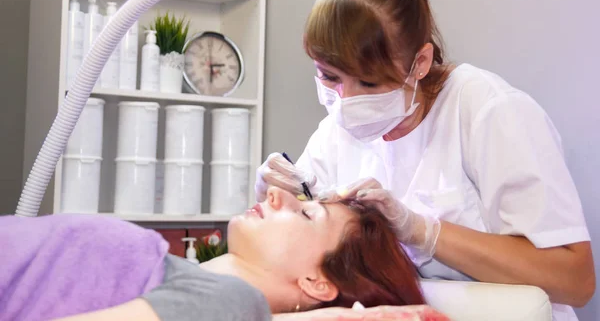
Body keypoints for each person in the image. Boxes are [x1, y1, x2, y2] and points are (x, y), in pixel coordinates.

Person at [255, 0, 596, 321]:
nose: (345, 102)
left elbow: (575, 280)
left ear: (419, 63)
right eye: (328, 76)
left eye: (368, 82)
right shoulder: (336, 133)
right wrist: (274, 191)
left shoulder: (486, 110)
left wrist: (423, 232)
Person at [0, 187, 443, 321]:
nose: (276, 194)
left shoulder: (229, 301)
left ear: (318, 283)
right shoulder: (203, 290)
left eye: (306, 214)